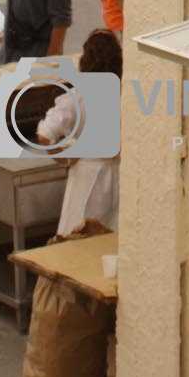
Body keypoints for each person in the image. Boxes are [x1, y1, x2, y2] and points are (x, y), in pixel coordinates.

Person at [42, 29, 122, 237]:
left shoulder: (77, 99)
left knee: (77, 237)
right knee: (114, 240)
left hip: (87, 175)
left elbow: (45, 135)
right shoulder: (127, 95)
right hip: (121, 174)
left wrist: (64, 157)